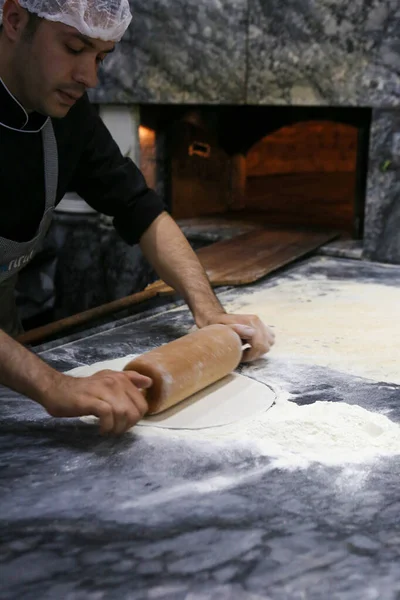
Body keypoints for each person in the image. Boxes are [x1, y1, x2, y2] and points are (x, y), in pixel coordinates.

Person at [0, 0, 275, 435]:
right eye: (74, 48)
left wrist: (207, 310)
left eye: (100, 58)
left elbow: (140, 208)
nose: (89, 77)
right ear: (15, 20)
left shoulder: (68, 117)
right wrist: (53, 385)